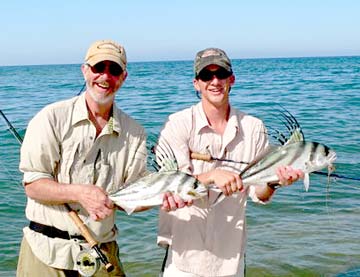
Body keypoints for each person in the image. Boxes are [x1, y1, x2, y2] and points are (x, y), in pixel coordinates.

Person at [157, 48, 304, 277]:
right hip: (184, 259)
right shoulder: (177, 124)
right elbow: (170, 186)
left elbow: (259, 193)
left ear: (231, 79)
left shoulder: (254, 127)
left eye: (221, 74)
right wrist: (212, 175)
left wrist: (275, 182)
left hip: (230, 261)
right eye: (206, 76)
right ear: (196, 83)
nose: (214, 81)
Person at [16, 40, 148, 276]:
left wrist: (167, 198)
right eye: (99, 68)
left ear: (124, 77)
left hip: (102, 254)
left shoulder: (135, 132)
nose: (105, 77)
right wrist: (79, 194)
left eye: (114, 70)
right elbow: (33, 186)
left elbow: (135, 196)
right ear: (85, 70)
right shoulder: (50, 118)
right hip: (45, 251)